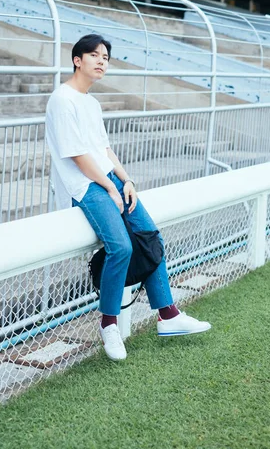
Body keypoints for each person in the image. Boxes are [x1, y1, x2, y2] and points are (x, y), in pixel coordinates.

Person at [45, 34, 211, 361]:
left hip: (107, 178)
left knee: (149, 235)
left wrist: (126, 180)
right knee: (120, 246)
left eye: (105, 56)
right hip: (83, 185)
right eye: (94, 55)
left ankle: (168, 315)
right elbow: (77, 156)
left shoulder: (91, 103)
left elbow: (104, 149)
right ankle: (108, 323)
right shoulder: (62, 100)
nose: (101, 61)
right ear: (77, 60)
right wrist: (108, 187)